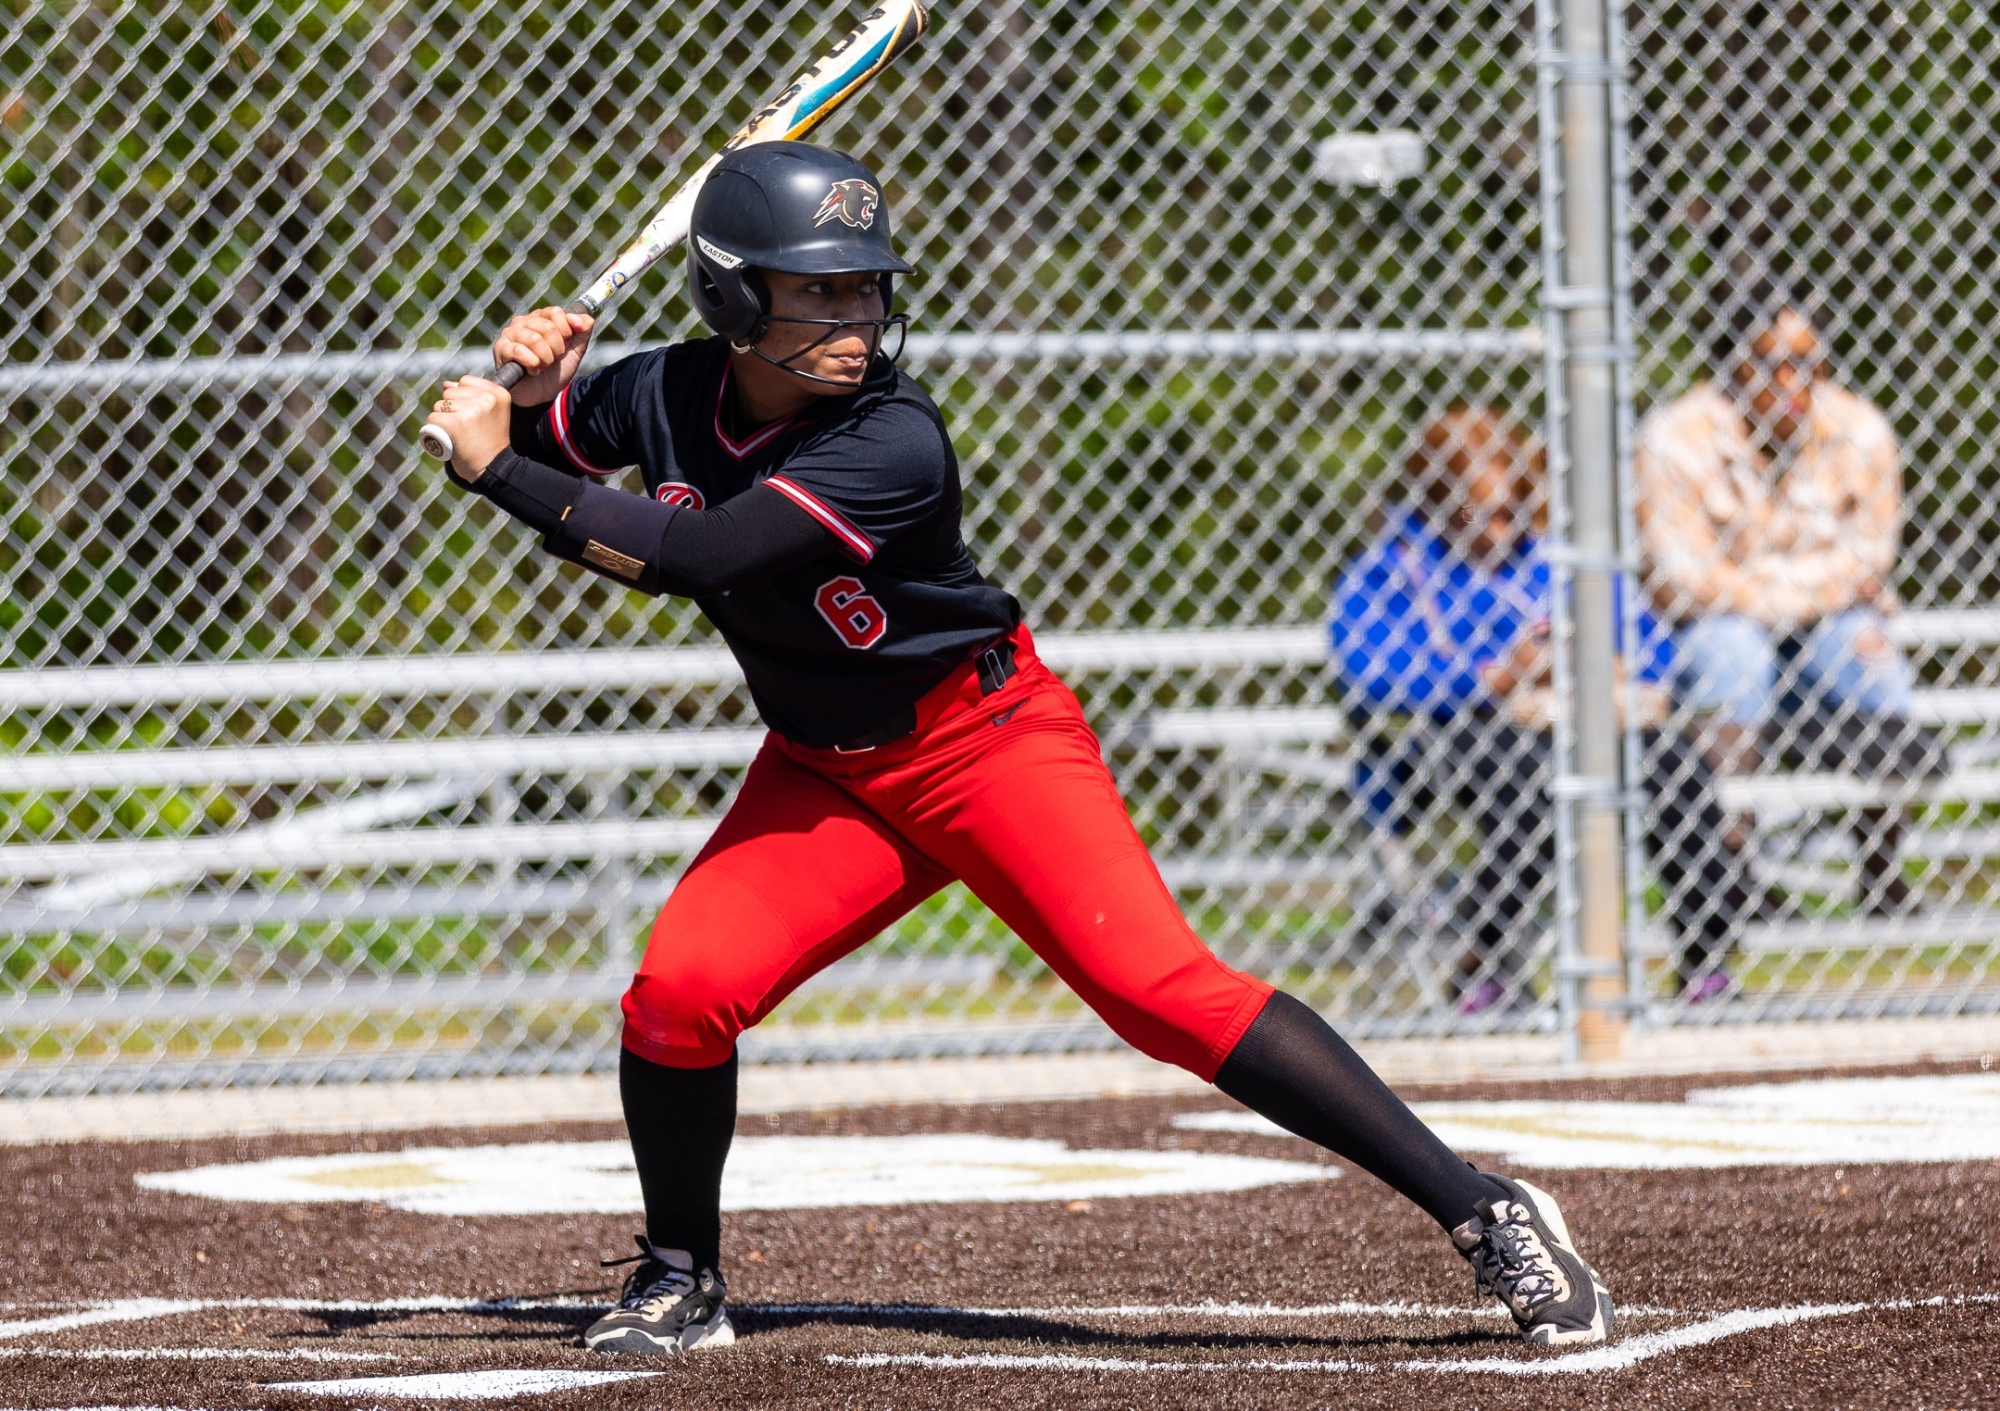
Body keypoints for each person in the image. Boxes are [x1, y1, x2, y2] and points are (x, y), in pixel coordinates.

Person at [424, 142, 1614, 1355]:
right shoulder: (666, 391)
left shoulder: (891, 439)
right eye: (817, 290)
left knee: (1162, 994)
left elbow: (691, 558)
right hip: (828, 770)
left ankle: (1484, 1208)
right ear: (730, 300)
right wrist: (529, 397)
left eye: (865, 287)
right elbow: (573, 455)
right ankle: (679, 1274)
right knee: (678, 992)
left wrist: (496, 466)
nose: (856, 316)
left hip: (984, 740)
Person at [1333, 407, 1752, 1007]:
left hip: (1576, 721)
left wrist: (1611, 663)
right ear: (1436, 504)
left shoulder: (1555, 558)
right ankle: (1488, 962)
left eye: (1509, 511)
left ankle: (1706, 959)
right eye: (1473, 514)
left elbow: (1647, 639)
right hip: (1449, 734)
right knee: (1529, 781)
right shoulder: (1394, 570)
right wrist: (1494, 677)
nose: (1496, 530)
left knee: (1676, 767)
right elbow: (1370, 673)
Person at [1635, 287, 1941, 914]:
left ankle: (1882, 867)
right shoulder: (1674, 438)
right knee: (1734, 652)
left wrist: (1759, 586)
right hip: (1717, 637)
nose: (1790, 380)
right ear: (1729, 365)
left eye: (1806, 362)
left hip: (1820, 635)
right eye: (1767, 362)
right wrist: (1804, 587)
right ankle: (1734, 869)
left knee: (1869, 648)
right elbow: (1683, 577)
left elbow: (1870, 556)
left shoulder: (1859, 431)